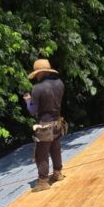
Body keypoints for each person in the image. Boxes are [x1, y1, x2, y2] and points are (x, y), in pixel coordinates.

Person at [23, 58, 67, 192]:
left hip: (45, 124)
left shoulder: (37, 88)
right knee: (55, 147)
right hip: (58, 122)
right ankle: (58, 173)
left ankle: (43, 181)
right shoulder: (59, 83)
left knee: (41, 153)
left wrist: (28, 100)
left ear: (40, 73)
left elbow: (32, 111)